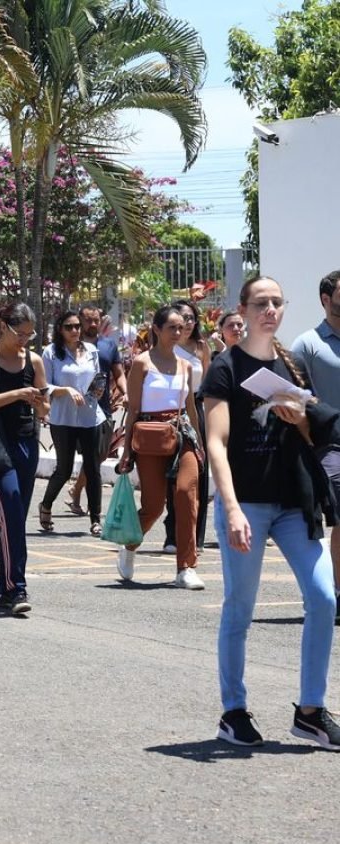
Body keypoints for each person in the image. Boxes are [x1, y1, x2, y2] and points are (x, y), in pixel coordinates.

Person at [205, 275, 340, 749]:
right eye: (260, 302)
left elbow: (311, 432)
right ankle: (233, 711)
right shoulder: (225, 367)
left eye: (277, 303)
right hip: (246, 502)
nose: (270, 310)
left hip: (292, 501)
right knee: (239, 608)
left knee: (323, 598)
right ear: (242, 309)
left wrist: (299, 417)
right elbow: (216, 442)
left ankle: (310, 712)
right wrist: (231, 509)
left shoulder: (292, 364)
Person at [115, 306, 204, 590]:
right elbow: (133, 410)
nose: (178, 332)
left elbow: (190, 408)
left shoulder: (186, 365)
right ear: (156, 329)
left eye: (182, 327)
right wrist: (126, 450)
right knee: (153, 506)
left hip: (182, 434)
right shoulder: (142, 363)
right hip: (150, 437)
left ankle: (186, 567)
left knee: (186, 496)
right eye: (172, 327)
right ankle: (130, 545)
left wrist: (199, 444)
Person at [0, 303, 49, 614]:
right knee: (12, 509)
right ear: (3, 326)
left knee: (14, 518)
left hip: (26, 442)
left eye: (30, 335)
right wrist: (17, 394)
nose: (24, 340)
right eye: (20, 334)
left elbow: (44, 408)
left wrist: (41, 403)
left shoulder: (34, 360)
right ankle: (17, 587)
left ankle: (5, 588)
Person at [292, 269, 340, 623]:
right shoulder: (307, 344)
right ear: (326, 299)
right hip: (328, 446)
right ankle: (333, 591)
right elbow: (294, 397)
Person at [38, 309, 108, 536]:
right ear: (60, 329)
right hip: (63, 418)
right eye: (69, 327)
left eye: (77, 326)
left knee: (93, 468)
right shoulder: (50, 353)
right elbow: (44, 386)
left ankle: (95, 518)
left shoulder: (91, 351)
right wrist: (66, 390)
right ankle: (46, 505)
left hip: (90, 416)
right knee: (64, 469)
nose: (75, 330)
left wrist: (98, 389)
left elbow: (97, 378)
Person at [66, 303, 126, 516]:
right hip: (75, 409)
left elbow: (119, 373)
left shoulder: (108, 346)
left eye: (96, 320)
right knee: (83, 459)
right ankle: (77, 497)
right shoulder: (70, 346)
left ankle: (76, 489)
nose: (93, 324)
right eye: (88, 320)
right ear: (80, 321)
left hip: (103, 410)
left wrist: (126, 392)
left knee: (99, 455)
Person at [162, 300, 211, 554]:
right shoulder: (166, 347)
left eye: (192, 318)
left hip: (197, 410)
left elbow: (210, 385)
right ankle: (172, 534)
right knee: (173, 475)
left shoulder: (202, 347)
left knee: (199, 474)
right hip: (172, 410)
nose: (188, 323)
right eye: (183, 318)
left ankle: (195, 537)